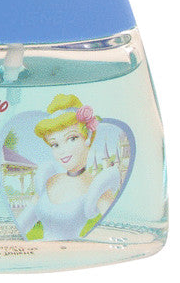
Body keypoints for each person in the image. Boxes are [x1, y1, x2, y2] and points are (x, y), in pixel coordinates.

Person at [16, 94, 120, 241]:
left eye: (71, 138)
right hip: (40, 251)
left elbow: (117, 234)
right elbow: (20, 226)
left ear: (87, 137)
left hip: (74, 251)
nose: (62, 150)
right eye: (55, 144)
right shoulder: (48, 180)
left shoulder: (97, 187)